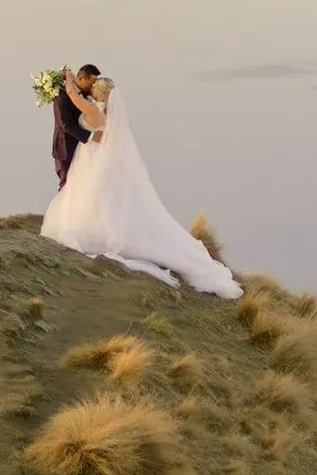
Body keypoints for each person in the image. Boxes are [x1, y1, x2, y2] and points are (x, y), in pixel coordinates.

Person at [40, 67, 241, 298]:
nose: (92, 89)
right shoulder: (103, 111)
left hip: (91, 160)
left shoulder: (94, 110)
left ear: (100, 94)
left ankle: (92, 230)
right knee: (93, 196)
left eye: (95, 87)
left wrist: (67, 80)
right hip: (91, 158)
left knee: (89, 196)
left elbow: (74, 98)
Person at [50, 61, 98, 187]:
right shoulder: (62, 95)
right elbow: (66, 125)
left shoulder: (88, 94)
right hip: (66, 147)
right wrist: (91, 137)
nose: (93, 86)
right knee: (67, 186)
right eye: (91, 82)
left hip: (83, 149)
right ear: (81, 78)